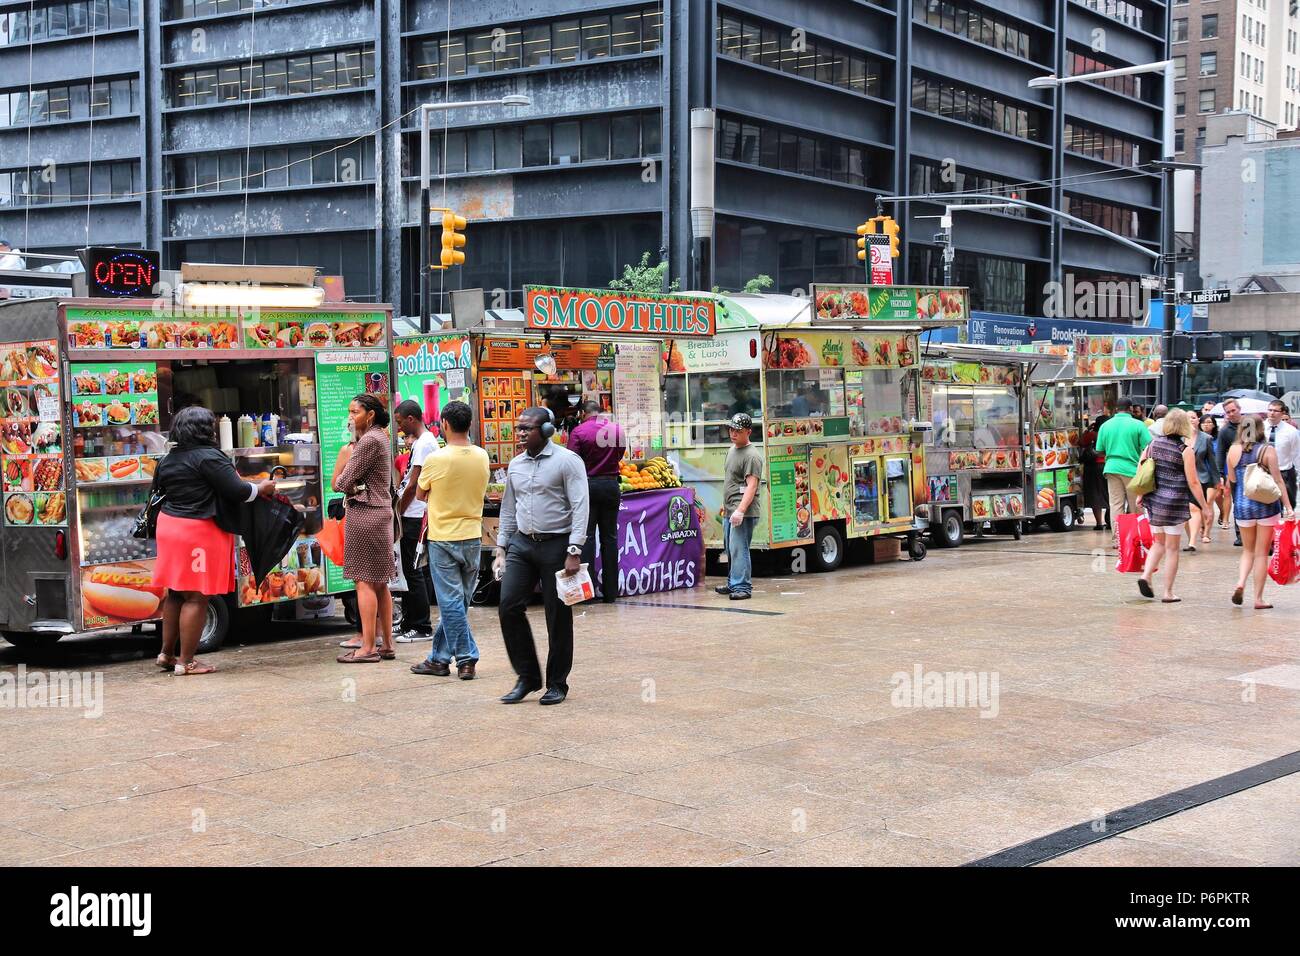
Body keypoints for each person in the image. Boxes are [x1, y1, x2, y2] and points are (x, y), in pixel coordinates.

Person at [152, 406, 275, 675]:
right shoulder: (209, 457)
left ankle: (166, 654)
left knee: (175, 592)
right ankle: (187, 662)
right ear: (205, 429)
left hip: (169, 526)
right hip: (196, 530)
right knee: (197, 596)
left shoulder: (169, 458)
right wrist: (262, 487)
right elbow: (238, 490)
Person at [494, 407, 589, 705]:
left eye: (528, 429)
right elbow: (509, 508)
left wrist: (574, 549)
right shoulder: (517, 465)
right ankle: (527, 677)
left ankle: (557, 682)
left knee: (557, 615)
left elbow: (580, 506)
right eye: (519, 428)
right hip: (522, 544)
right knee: (508, 606)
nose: (521, 433)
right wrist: (501, 546)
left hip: (557, 545)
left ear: (546, 430)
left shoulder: (567, 461)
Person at [411, 401, 490, 679]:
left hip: (443, 538)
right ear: (469, 425)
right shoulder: (482, 456)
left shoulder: (437, 459)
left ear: (444, 424)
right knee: (457, 603)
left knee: (451, 603)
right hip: (472, 537)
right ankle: (438, 658)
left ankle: (467, 658)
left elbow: (421, 495)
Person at [332, 394, 396, 663]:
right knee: (380, 583)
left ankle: (368, 646)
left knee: (364, 582)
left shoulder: (369, 440)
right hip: (381, 514)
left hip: (365, 514)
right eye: (349, 412)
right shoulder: (382, 436)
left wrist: (349, 484)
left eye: (355, 412)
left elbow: (341, 481)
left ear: (369, 415)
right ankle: (387, 644)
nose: (350, 417)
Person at [1136, 409, 1208, 603]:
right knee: (1172, 549)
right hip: (1174, 503)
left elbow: (1142, 469)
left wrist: (1140, 494)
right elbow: (1193, 482)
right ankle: (1168, 593)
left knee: (1158, 543)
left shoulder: (1152, 444)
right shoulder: (1185, 451)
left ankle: (1146, 576)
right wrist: (1205, 507)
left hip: (1154, 501)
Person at [1226, 417, 1294, 609]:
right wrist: (1289, 508)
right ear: (1260, 429)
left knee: (1247, 550)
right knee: (1261, 553)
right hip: (1266, 507)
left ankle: (1240, 583)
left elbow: (1232, 480)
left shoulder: (1232, 450)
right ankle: (1258, 599)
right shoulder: (1267, 450)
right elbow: (1279, 480)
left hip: (1242, 506)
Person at [567, 401, 627, 603]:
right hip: (611, 485)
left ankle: (588, 593)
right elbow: (620, 455)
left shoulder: (578, 431)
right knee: (610, 538)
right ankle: (611, 593)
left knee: (588, 537)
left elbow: (571, 461)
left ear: (584, 413)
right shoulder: (617, 430)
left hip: (588, 486)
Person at [392, 400, 439, 643]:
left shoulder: (425, 443)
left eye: (400, 422)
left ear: (411, 418)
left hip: (414, 514)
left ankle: (421, 626)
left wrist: (399, 511)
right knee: (407, 570)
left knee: (413, 570)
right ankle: (409, 622)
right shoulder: (422, 443)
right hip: (410, 513)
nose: (399, 427)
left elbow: (414, 484)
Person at [715, 412, 763, 601]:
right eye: (731, 429)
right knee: (730, 547)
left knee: (739, 547)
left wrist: (741, 510)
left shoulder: (752, 456)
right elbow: (731, 480)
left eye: (738, 431)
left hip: (743, 511)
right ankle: (733, 583)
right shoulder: (732, 449)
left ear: (748, 432)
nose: (733, 433)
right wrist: (726, 505)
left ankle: (742, 586)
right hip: (730, 509)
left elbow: (752, 486)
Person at [1095, 403, 1151, 547]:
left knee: (1116, 505)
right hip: (1132, 470)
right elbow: (1149, 446)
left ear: (1116, 409)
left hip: (1111, 468)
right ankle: (1137, 538)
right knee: (1136, 505)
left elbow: (1099, 449)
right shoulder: (1138, 425)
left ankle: (1118, 540)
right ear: (1130, 409)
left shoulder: (1106, 426)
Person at [1184, 411, 1218, 550]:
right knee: (1185, 511)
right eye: (1187, 418)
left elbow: (1212, 460)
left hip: (1200, 478)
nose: (1191, 420)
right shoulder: (1179, 437)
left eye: (1193, 417)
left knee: (1194, 508)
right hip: (1181, 478)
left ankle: (1192, 542)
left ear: (1198, 420)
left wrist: (1216, 480)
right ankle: (1190, 536)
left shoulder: (1206, 438)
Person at [1215, 398, 1243, 543]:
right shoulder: (1225, 431)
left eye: (1233, 410)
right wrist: (1220, 474)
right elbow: (1220, 452)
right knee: (1238, 501)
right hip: (1235, 471)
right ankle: (1240, 534)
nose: (1231, 414)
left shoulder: (1250, 424)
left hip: (1253, 470)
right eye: (1228, 412)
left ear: (1239, 409)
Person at [1264, 400, 1299, 506]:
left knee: (1288, 505)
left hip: (1284, 473)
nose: (1272, 413)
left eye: (1275, 411)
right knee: (1268, 507)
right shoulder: (1260, 428)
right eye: (1270, 410)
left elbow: (1297, 455)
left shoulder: (1291, 431)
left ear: (1283, 413)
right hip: (1265, 473)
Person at [1079, 418, 1108, 530]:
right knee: (1109, 494)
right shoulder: (1109, 433)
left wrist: (1087, 430)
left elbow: (1080, 442)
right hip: (1107, 465)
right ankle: (1111, 521)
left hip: (1092, 467)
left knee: (1095, 495)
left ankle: (1099, 523)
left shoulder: (1092, 434)